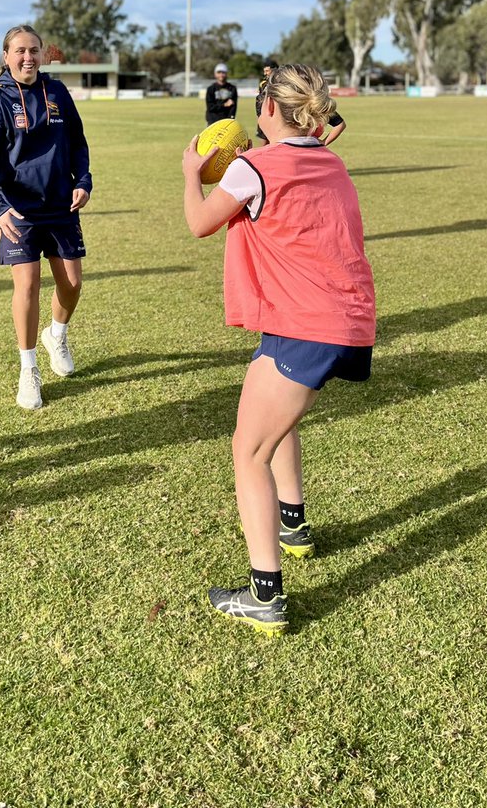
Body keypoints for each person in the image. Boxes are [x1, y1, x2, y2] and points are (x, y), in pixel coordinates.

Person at [182, 63, 375, 635]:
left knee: (247, 450)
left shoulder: (251, 168)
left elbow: (198, 223)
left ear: (267, 108)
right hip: (339, 317)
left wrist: (192, 172)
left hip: (309, 322)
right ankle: (294, 526)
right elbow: (316, 138)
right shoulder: (327, 158)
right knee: (274, 416)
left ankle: (265, 594)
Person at [0, 25, 92, 410]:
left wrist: (83, 180)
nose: (28, 57)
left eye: (34, 50)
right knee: (28, 286)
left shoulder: (57, 92)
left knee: (71, 284)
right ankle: (28, 369)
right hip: (18, 210)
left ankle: (56, 334)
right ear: (6, 56)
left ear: (42, 54)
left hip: (61, 206)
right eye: (20, 50)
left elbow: (77, 142)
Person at [254, 59, 278, 146]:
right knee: (263, 145)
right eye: (264, 71)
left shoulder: (281, 83)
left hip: (276, 119)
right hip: (264, 117)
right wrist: (259, 116)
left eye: (267, 71)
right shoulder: (263, 84)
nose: (265, 73)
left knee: (275, 144)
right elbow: (259, 102)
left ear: (275, 70)